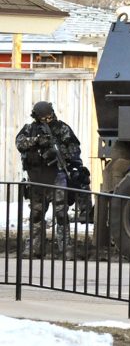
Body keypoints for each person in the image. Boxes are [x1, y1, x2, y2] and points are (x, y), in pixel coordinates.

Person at [15, 101, 85, 258]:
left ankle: (66, 248)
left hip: (57, 175)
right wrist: (37, 141)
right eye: (44, 118)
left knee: (61, 214)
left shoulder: (61, 128)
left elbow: (74, 148)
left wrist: (60, 152)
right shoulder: (29, 129)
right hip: (36, 177)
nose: (48, 119)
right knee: (36, 214)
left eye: (50, 116)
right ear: (36, 117)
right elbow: (19, 143)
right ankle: (34, 247)